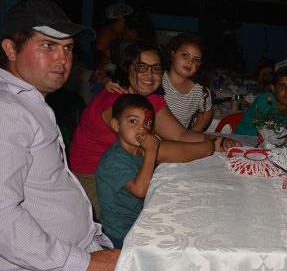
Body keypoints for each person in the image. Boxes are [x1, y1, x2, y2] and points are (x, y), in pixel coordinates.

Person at [0, 0, 119, 271]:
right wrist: (85, 264)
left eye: (68, 48)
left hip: (77, 253)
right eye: (48, 45)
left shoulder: (29, 102)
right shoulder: (7, 111)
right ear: (11, 49)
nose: (63, 59)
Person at [70, 42, 237, 217]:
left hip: (131, 173)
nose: (149, 74)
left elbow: (180, 134)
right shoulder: (117, 104)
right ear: (128, 68)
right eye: (141, 67)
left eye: (156, 68)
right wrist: (207, 148)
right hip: (95, 179)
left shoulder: (150, 100)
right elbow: (153, 149)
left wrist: (219, 143)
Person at [96, 94, 159, 249]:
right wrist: (152, 151)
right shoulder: (113, 159)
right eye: (133, 121)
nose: (141, 128)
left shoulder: (139, 151)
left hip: (138, 221)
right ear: (116, 125)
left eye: (147, 123)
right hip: (119, 234)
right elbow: (140, 190)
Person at [235, 60, 287, 136]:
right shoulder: (265, 101)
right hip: (243, 140)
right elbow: (272, 135)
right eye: (283, 86)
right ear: (273, 88)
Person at [161, 33, 213, 131]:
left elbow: (207, 112)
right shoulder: (158, 79)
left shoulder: (199, 90)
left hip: (178, 139)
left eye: (196, 60)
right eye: (185, 55)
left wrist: (192, 133)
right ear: (172, 54)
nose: (190, 62)